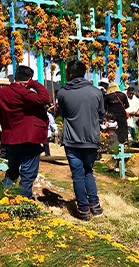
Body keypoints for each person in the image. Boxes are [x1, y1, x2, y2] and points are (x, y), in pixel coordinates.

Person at [56, 60, 104, 221]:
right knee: (88, 171)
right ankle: (95, 206)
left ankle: (83, 210)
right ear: (84, 73)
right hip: (91, 138)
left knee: (77, 174)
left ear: (69, 74)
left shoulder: (62, 93)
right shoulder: (97, 92)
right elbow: (101, 115)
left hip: (71, 139)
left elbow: (62, 113)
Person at [0, 65, 50, 199]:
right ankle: (23, 201)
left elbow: (0, 115)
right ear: (29, 79)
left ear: (15, 77)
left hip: (10, 137)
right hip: (28, 138)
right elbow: (45, 98)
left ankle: (0, 197)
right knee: (27, 173)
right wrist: (34, 84)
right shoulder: (24, 93)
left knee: (12, 171)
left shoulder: (2, 93)